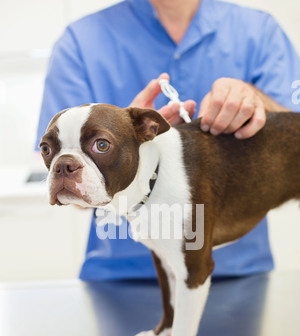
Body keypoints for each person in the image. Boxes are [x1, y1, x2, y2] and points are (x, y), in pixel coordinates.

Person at [36, 0, 300, 281]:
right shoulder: (80, 41)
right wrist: (123, 145)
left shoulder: (259, 31)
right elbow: (67, 180)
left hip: (240, 267)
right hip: (120, 273)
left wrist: (255, 98)